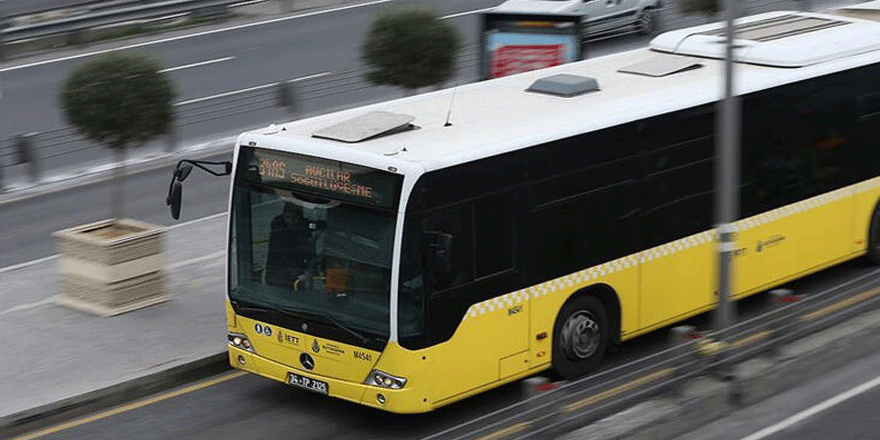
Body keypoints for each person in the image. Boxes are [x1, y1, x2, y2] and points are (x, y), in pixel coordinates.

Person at [265, 202, 313, 289]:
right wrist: (299, 274)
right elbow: (283, 255)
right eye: (288, 217)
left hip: (295, 272)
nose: (291, 221)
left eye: (295, 218)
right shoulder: (279, 230)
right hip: (279, 277)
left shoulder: (302, 226)